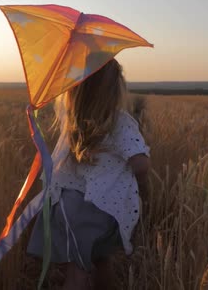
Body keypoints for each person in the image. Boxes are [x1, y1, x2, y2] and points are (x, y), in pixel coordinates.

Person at [27, 58, 150, 290]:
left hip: (65, 206)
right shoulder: (120, 122)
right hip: (98, 211)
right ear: (115, 90)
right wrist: (140, 180)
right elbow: (140, 165)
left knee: (90, 261)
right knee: (82, 273)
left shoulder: (73, 123)